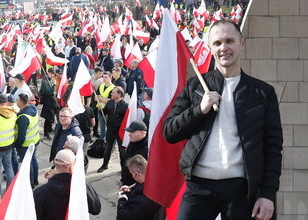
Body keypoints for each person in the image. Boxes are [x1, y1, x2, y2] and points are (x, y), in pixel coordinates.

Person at [163, 20, 283, 220]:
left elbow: (273, 147)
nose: (223, 48)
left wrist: (268, 194)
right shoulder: (194, 86)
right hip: (198, 188)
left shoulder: (263, 92)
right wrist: (200, 110)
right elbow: (169, 132)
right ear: (210, 48)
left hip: (241, 190)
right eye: (217, 43)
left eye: (229, 41)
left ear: (241, 43)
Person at [34, 149, 101, 219]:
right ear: (70, 167)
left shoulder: (40, 192)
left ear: (55, 163)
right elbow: (96, 209)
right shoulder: (81, 187)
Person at [116, 155, 162, 220]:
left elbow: (122, 217)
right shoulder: (157, 181)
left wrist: (122, 200)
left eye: (131, 173)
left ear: (136, 174)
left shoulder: (140, 199)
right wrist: (131, 188)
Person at [97, 87, 128, 173]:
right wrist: (100, 110)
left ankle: (123, 169)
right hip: (110, 130)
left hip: (120, 131)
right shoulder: (109, 102)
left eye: (113, 92)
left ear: (119, 94)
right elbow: (104, 112)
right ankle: (105, 165)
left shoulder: (125, 105)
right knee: (107, 149)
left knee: (122, 151)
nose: (111, 94)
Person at [15, 93, 40, 188]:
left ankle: (30, 184)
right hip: (35, 141)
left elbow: (21, 136)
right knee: (33, 160)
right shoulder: (33, 109)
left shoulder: (23, 117)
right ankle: (35, 180)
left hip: (25, 145)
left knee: (27, 164)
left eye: (17, 100)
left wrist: (17, 145)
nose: (16, 102)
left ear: (21, 102)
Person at [121, 121, 149, 186]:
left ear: (142, 133)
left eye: (132, 132)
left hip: (134, 186)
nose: (129, 134)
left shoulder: (147, 149)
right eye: (129, 132)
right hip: (126, 181)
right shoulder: (133, 142)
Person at [95, 71, 116, 140]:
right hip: (100, 109)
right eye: (103, 77)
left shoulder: (113, 88)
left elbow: (109, 101)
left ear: (110, 77)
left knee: (108, 127)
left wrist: (100, 98)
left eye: (106, 77)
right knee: (101, 126)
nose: (104, 79)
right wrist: (103, 99)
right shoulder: (101, 85)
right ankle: (102, 139)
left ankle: (108, 140)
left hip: (108, 111)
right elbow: (95, 98)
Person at [40, 69, 57, 140]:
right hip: (47, 101)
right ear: (48, 73)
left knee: (53, 113)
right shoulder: (44, 81)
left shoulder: (50, 79)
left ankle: (50, 128)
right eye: (52, 74)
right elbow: (49, 92)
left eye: (53, 74)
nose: (53, 75)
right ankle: (46, 133)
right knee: (48, 117)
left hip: (51, 100)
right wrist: (54, 85)